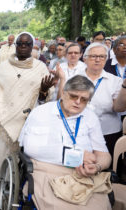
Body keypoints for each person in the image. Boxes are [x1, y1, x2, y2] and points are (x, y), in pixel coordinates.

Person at [19, 75, 112, 210]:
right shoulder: (41, 113)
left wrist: (97, 167)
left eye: (84, 99)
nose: (78, 102)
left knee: (100, 206)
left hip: (81, 174)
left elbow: (104, 155)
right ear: (63, 93)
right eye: (74, 96)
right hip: (46, 171)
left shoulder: (90, 117)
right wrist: (79, 156)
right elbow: (30, 149)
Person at [0, 32, 55, 182]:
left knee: (23, 150)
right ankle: (0, 178)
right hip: (4, 114)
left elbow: (43, 99)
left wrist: (44, 90)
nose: (23, 47)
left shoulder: (40, 67)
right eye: (20, 44)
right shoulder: (4, 66)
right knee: (1, 147)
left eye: (27, 44)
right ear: (15, 46)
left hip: (27, 117)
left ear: (32, 47)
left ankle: (17, 180)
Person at [58, 43, 126, 158]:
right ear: (85, 58)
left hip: (108, 132)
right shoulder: (74, 78)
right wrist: (62, 79)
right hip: (79, 132)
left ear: (106, 59)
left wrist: (125, 86)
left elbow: (118, 108)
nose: (98, 60)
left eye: (102, 57)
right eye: (94, 56)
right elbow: (62, 103)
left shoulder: (116, 81)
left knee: (106, 169)